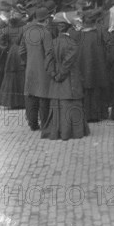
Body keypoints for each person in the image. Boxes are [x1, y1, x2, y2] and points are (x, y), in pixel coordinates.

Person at [41, 12, 90, 141]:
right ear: (69, 27)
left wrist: (53, 74)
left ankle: (56, 130)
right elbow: (67, 63)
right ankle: (72, 131)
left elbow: (48, 61)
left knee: (57, 105)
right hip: (69, 80)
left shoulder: (53, 42)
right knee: (70, 104)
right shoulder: (73, 44)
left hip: (56, 81)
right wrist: (61, 74)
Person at [19, 7, 53, 131]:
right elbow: (49, 52)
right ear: (46, 20)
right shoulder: (46, 33)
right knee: (43, 96)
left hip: (30, 70)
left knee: (30, 96)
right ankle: (45, 124)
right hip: (43, 70)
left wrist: (28, 63)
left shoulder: (27, 32)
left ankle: (33, 124)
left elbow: (21, 51)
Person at [76, 8, 109, 122]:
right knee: (96, 91)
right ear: (95, 23)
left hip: (83, 69)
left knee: (85, 92)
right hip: (97, 69)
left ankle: (85, 114)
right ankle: (97, 114)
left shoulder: (79, 36)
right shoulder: (99, 35)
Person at [0, 8, 26, 109]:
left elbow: (0, 40)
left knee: (10, 76)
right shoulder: (24, 28)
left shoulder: (7, 29)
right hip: (21, 52)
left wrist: (7, 48)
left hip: (11, 53)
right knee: (22, 75)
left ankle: (10, 102)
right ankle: (22, 102)